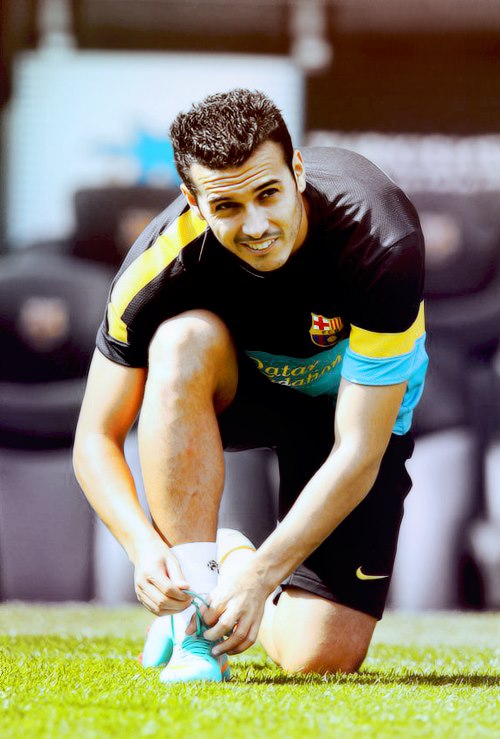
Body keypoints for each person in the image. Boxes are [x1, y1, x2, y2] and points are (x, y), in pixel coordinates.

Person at [73, 88, 428, 683]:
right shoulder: (157, 265)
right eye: (227, 206)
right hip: (244, 393)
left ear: (297, 172)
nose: (257, 226)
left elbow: (359, 450)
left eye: (268, 194)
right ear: (193, 201)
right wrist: (143, 548)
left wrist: (258, 572)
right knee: (180, 340)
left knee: (320, 658)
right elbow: (94, 438)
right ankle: (193, 611)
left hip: (352, 412)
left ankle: (228, 555)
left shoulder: (382, 240)